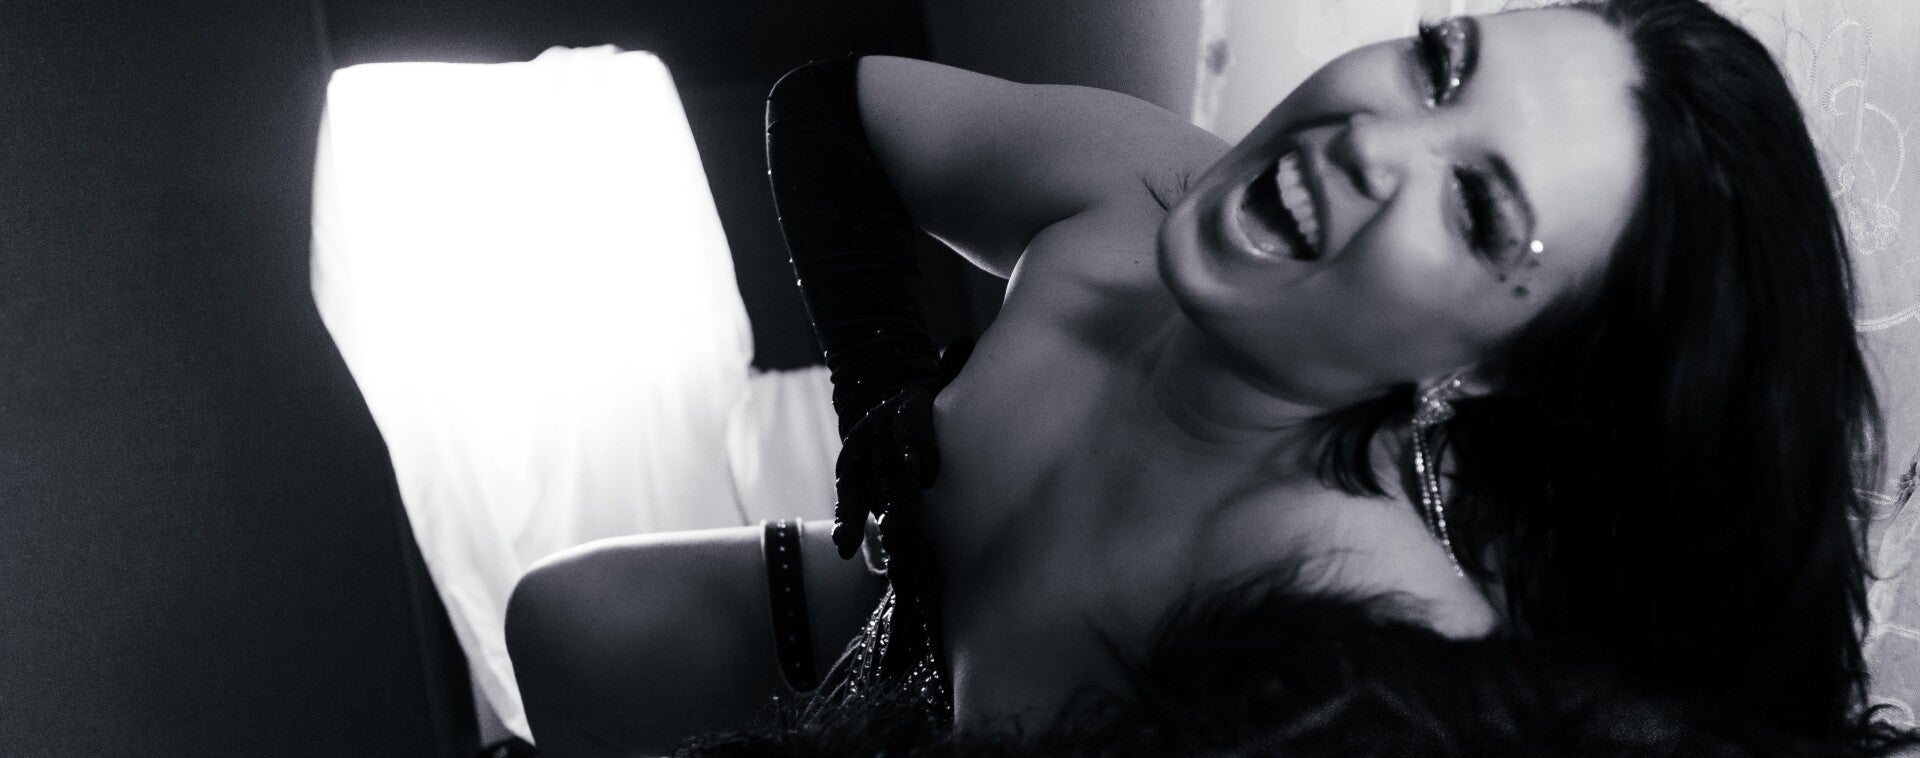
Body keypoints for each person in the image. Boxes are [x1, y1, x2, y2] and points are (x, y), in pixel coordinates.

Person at [505, 0, 1920, 754]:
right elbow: (826, 110)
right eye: (1439, 67)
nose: (1377, 140)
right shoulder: (1135, 191)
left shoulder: (1350, 638)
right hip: (902, 613)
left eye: (1480, 209)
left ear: (1496, 377)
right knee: (556, 617)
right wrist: (879, 386)